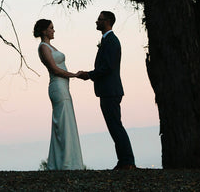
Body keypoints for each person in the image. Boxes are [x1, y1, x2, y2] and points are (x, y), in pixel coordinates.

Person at [80, 10, 136, 170]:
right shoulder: (107, 41)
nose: (97, 22)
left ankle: (127, 161)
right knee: (114, 126)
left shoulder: (111, 41)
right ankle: (124, 161)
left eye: (100, 19)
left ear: (108, 21)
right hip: (108, 91)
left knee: (116, 126)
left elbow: (107, 68)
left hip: (110, 91)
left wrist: (89, 75)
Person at [34, 18, 85, 170]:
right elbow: (54, 69)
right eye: (51, 28)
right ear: (44, 31)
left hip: (64, 86)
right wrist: (75, 75)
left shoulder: (51, 46)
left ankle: (68, 161)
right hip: (57, 86)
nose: (53, 30)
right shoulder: (43, 47)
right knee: (61, 123)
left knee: (67, 122)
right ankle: (65, 163)